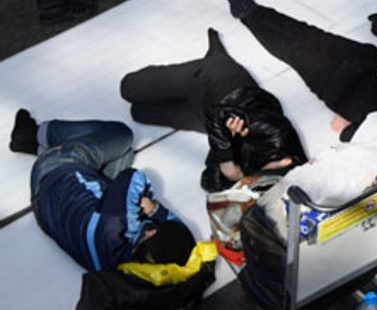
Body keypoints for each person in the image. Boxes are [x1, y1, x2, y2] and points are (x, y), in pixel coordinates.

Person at [216, 0, 377, 141]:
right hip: (363, 59)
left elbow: (354, 133)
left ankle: (246, 14)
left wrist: (346, 128)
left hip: (338, 85)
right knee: (305, 32)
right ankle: (252, 9)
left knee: (292, 50)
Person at [119, 29, 307, 192]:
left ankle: (216, 54)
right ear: (286, 162)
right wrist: (227, 156)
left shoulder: (262, 178)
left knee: (138, 113)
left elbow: (208, 180)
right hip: (215, 82)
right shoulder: (276, 133)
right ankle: (216, 59)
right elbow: (219, 114)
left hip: (206, 116)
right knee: (128, 88)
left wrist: (231, 173)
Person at [10, 110, 197, 272]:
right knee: (124, 155)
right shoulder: (128, 267)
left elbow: (132, 177)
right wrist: (154, 214)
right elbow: (178, 240)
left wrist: (151, 207)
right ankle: (42, 147)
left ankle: (35, 135)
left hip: (54, 171)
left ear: (150, 233)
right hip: (49, 216)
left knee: (121, 135)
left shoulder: (115, 223)